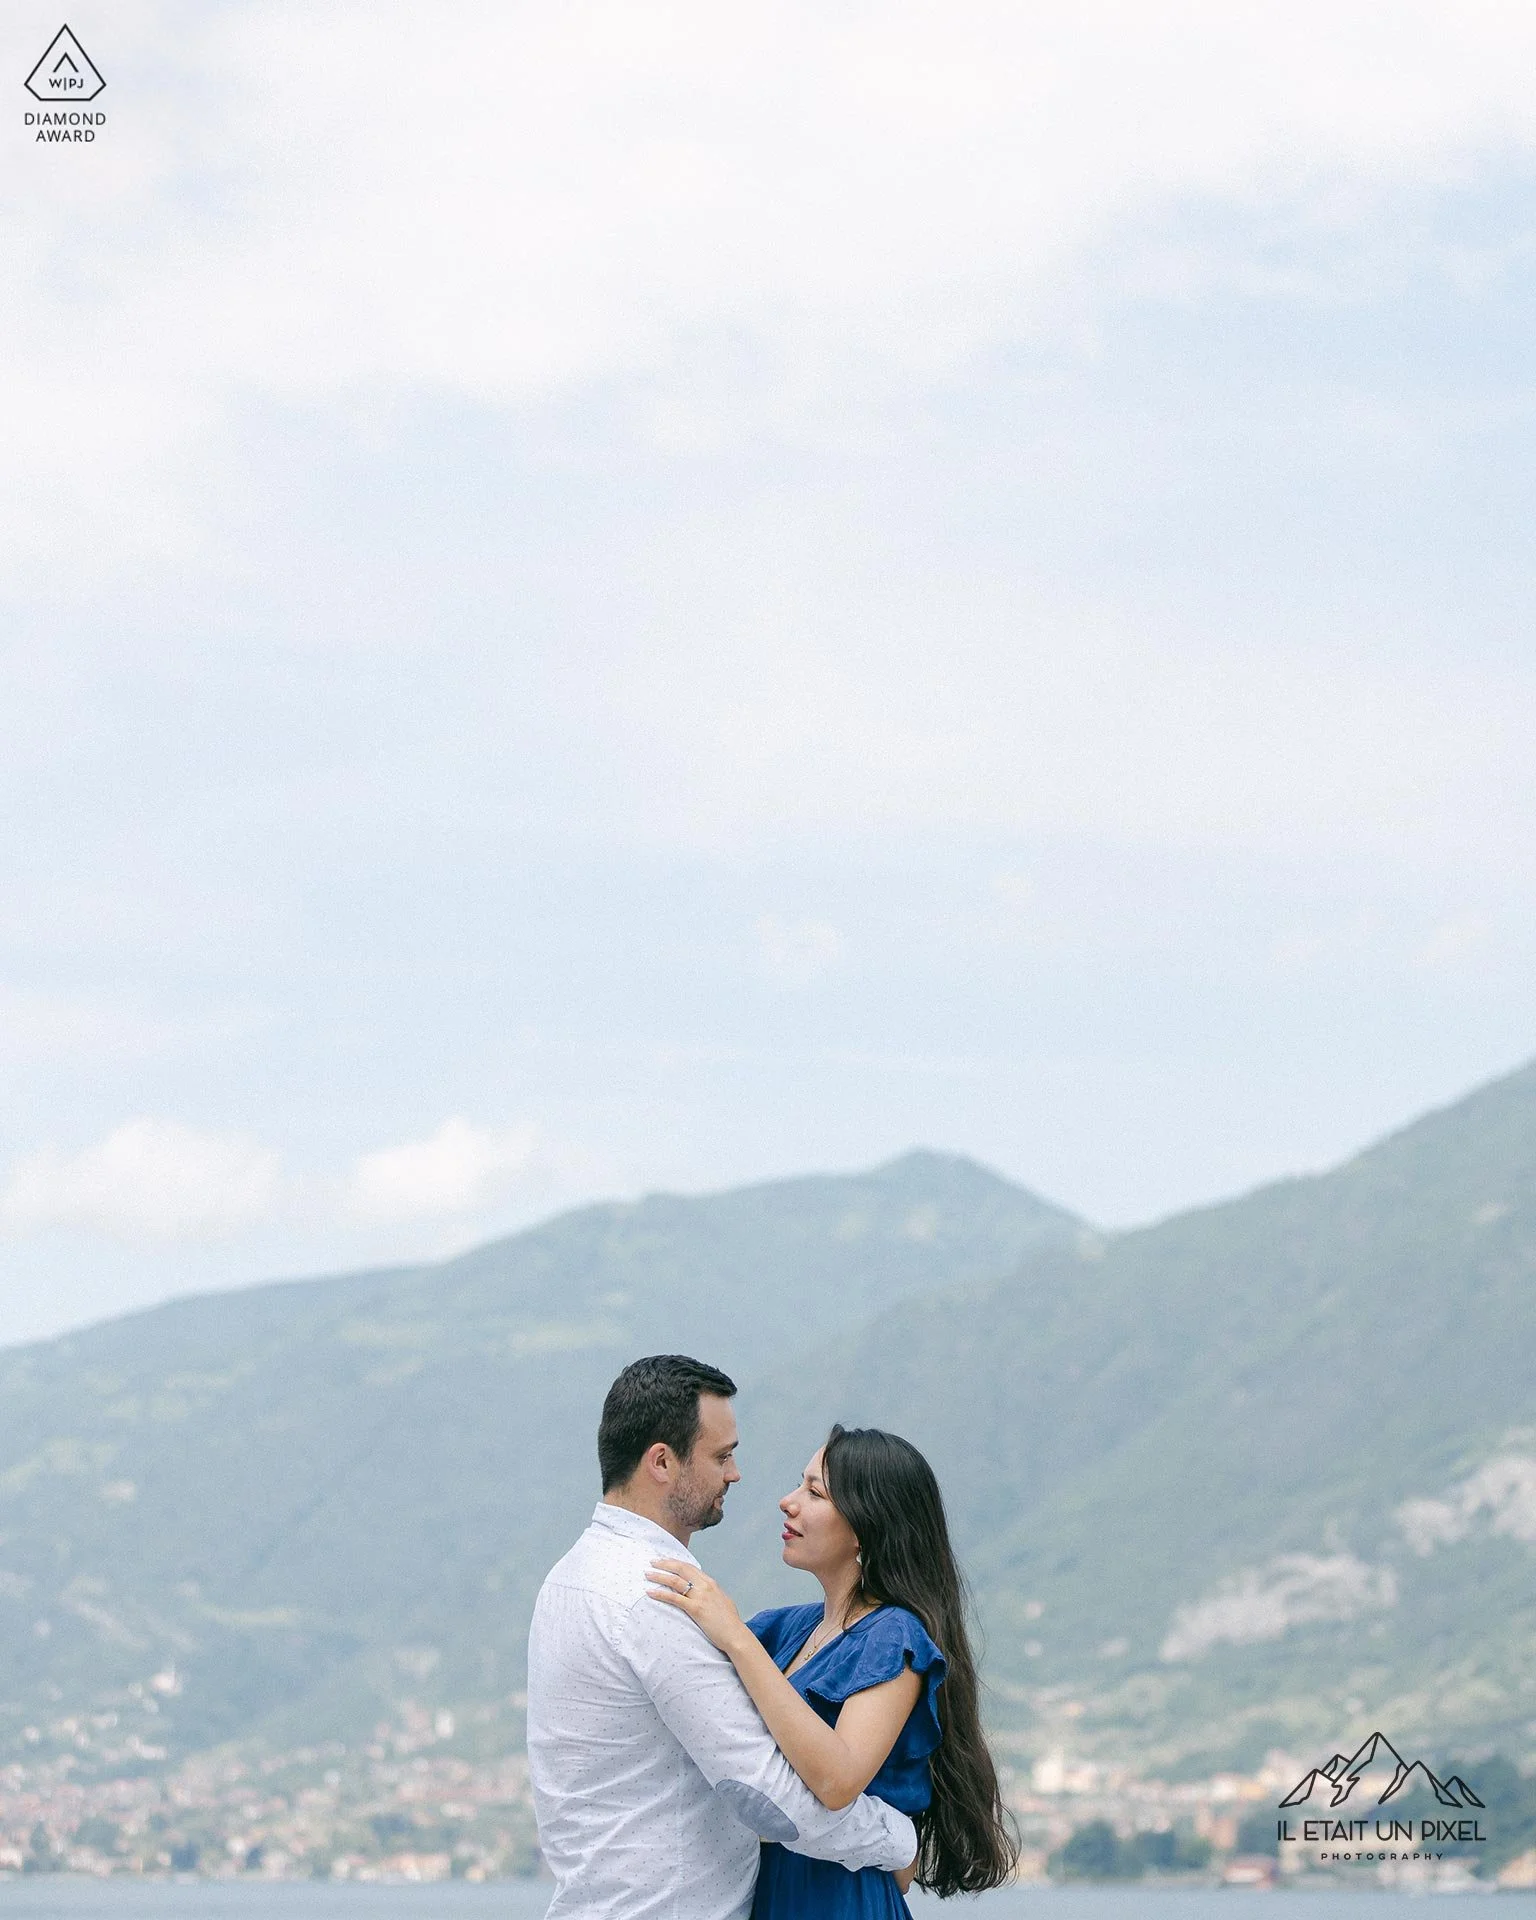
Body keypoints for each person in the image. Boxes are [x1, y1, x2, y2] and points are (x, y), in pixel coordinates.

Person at [527, 1356, 919, 1920]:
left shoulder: (567, 1579)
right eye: (721, 1455)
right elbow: (765, 1796)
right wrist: (899, 1842)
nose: (735, 1474)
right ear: (662, 1462)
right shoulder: (654, 1597)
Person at [648, 1423, 1018, 1918]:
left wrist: (734, 1636)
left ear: (868, 1522)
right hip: (771, 1891)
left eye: (814, 1492)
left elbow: (838, 1780)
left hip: (840, 1900)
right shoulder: (783, 1630)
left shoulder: (893, 1636)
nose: (788, 1501)